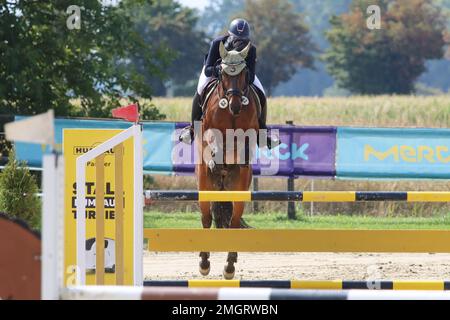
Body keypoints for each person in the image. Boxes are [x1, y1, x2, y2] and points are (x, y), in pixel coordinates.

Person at [179, 18, 279, 149]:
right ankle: (192, 129)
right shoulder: (217, 43)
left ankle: (262, 133)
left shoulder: (251, 49)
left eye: (243, 39)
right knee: (200, 89)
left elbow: (251, 76)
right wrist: (219, 69)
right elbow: (208, 70)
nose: (240, 42)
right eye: (237, 38)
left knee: (261, 93)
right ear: (230, 35)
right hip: (215, 73)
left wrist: (240, 75)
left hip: (240, 77)